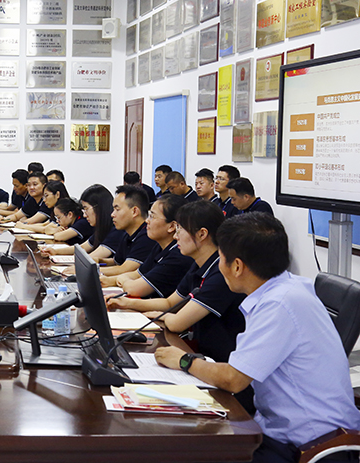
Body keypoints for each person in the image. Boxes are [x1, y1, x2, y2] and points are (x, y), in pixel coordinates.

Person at [155, 213, 360, 463]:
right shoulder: (284, 288)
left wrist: (185, 360)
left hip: (310, 447)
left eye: (220, 258)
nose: (219, 266)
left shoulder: (279, 304)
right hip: (274, 428)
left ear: (237, 266)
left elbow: (233, 379)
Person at [108, 201, 246, 365]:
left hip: (221, 364)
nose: (175, 236)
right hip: (203, 355)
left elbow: (177, 323)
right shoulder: (199, 264)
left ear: (202, 234)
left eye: (180, 229)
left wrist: (164, 316)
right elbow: (170, 302)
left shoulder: (220, 272)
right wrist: (126, 303)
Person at [119, 194, 194, 298]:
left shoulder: (178, 256)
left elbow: (134, 289)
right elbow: (137, 274)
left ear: (172, 226)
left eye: (152, 216)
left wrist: (123, 280)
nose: (147, 221)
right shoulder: (160, 247)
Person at [97, 185, 159, 283]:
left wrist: (90, 270)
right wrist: (99, 261)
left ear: (134, 211)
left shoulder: (146, 237)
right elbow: (117, 262)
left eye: (117, 209)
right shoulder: (128, 234)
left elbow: (125, 269)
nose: (112, 214)